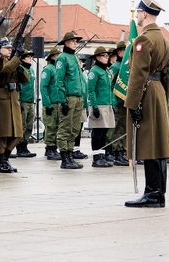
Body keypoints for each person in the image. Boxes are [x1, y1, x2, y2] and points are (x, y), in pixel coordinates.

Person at [125, 0, 169, 208]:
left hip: (145, 92)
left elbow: (137, 74)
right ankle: (158, 192)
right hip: (159, 92)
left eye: (137, 13)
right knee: (159, 143)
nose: (136, 17)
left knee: (148, 143)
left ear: (144, 14)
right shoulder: (164, 39)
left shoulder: (143, 40)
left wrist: (132, 103)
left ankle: (152, 193)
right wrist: (163, 94)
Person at [0, 39, 29, 173]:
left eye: (11, 48)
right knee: (2, 133)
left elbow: (26, 79)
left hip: (13, 98)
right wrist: (16, 59)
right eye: (7, 48)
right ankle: (1, 162)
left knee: (17, 133)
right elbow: (4, 71)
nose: (10, 50)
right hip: (1, 98)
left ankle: (5, 158)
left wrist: (18, 66)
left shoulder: (13, 62)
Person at [54, 31, 86, 170]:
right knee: (65, 128)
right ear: (66, 42)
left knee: (75, 128)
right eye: (73, 41)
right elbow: (59, 80)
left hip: (78, 97)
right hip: (69, 97)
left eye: (76, 41)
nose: (75, 43)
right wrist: (63, 100)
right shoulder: (62, 58)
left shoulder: (74, 57)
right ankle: (64, 157)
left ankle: (70, 154)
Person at [86, 46, 115, 168]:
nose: (107, 58)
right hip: (99, 104)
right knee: (97, 132)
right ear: (97, 57)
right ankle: (96, 157)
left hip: (107, 104)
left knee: (104, 132)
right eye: (104, 56)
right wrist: (94, 106)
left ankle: (101, 155)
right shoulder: (95, 71)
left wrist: (112, 104)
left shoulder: (106, 71)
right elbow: (91, 90)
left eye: (107, 56)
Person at [110, 41, 129, 166]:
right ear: (118, 52)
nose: (124, 52)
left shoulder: (126, 67)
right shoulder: (116, 67)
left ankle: (123, 151)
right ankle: (117, 152)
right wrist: (114, 101)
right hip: (118, 101)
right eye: (122, 50)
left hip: (126, 101)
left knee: (125, 128)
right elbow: (110, 85)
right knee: (118, 128)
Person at [39, 49, 61, 160]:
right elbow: (43, 87)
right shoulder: (48, 69)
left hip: (58, 102)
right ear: (52, 57)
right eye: (58, 55)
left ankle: (54, 147)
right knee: (51, 126)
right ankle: (50, 149)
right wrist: (47, 104)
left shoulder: (59, 69)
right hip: (51, 103)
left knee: (57, 127)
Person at [17, 50, 37, 158]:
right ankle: (20, 147)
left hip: (30, 100)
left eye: (30, 56)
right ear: (22, 58)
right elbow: (19, 87)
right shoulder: (20, 70)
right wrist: (19, 101)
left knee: (29, 125)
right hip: (23, 100)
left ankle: (25, 145)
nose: (30, 58)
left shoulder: (31, 70)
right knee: (22, 125)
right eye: (28, 57)